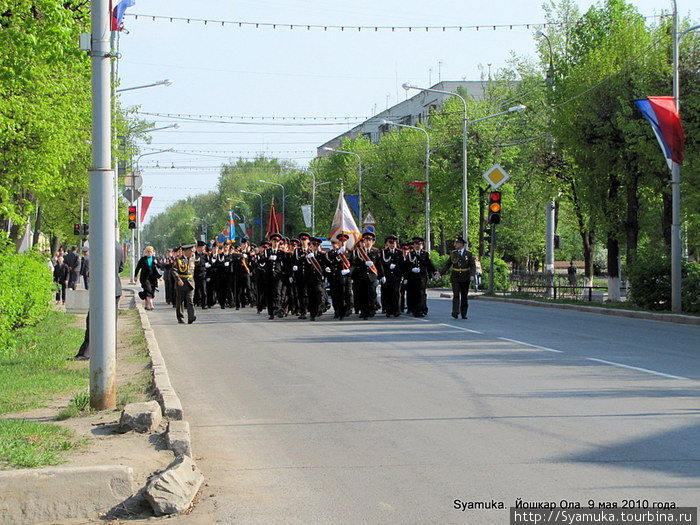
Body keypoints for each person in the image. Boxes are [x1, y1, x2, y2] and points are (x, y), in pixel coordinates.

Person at [73, 241, 124, 360]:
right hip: (115, 288)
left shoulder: (100, 242)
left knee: (93, 320)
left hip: (102, 289)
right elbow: (121, 267)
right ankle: (110, 351)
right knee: (111, 322)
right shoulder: (118, 246)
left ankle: (87, 352)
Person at [442, 235, 476, 319]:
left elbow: (472, 266)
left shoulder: (468, 254)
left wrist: (472, 275)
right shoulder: (453, 253)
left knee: (464, 296)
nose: (455, 245)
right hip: (455, 277)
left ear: (461, 244)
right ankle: (455, 311)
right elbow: (447, 264)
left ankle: (464, 313)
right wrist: (440, 273)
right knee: (456, 294)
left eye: (456, 243)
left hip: (465, 277)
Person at [351, 231, 383, 320]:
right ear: (363, 241)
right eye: (366, 240)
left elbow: (379, 265)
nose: (368, 242)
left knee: (372, 293)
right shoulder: (358, 252)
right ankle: (364, 312)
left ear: (373, 242)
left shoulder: (375, 251)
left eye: (370, 240)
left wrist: (382, 275)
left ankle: (371, 310)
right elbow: (355, 264)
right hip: (361, 277)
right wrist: (364, 264)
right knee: (363, 295)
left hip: (372, 277)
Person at [404, 237, 438, 317]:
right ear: (414, 245)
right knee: (414, 293)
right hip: (413, 277)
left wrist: (435, 271)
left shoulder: (425, 254)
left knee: (422, 293)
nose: (417, 246)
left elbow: (429, 264)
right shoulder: (410, 254)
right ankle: (416, 309)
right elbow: (406, 266)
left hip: (422, 276)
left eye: (419, 244)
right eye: (416, 244)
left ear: (422, 245)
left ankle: (422, 309)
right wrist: (411, 270)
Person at [171, 244, 197, 324]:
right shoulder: (178, 260)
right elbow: (174, 270)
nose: (192, 252)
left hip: (190, 282)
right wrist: (178, 279)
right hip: (181, 283)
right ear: (185, 252)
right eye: (190, 250)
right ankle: (180, 317)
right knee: (180, 301)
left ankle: (191, 317)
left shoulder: (192, 259)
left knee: (190, 300)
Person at [379, 235, 404, 317]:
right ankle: (389, 310)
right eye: (390, 243)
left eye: (393, 243)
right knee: (388, 293)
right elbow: (381, 264)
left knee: (396, 292)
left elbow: (402, 265)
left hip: (396, 276)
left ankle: (396, 310)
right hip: (387, 276)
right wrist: (382, 275)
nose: (392, 244)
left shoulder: (399, 252)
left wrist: (397, 268)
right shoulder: (384, 252)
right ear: (387, 243)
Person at [134, 245, 160, 311]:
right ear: (146, 252)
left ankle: (146, 304)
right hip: (145, 278)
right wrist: (135, 276)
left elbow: (160, 266)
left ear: (153, 252)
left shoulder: (154, 259)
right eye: (148, 252)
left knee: (151, 291)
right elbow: (137, 268)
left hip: (153, 278)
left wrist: (156, 263)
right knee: (148, 290)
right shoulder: (143, 259)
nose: (149, 253)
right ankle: (151, 304)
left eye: (150, 252)